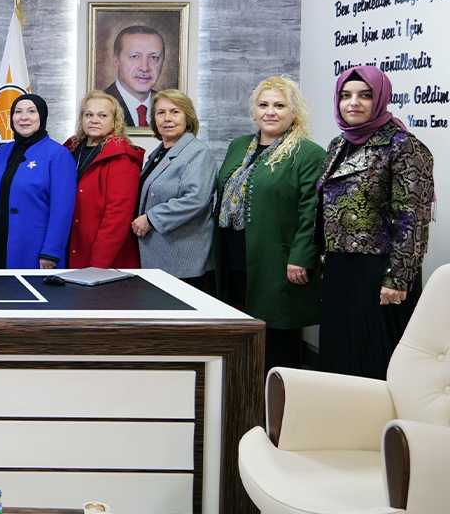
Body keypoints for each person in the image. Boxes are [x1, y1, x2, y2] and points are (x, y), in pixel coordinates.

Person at [317, 66, 434, 379]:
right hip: (341, 267)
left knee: (375, 359)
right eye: (346, 95)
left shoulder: (403, 145)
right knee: (339, 355)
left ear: (380, 99)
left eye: (365, 95)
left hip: (379, 271)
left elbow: (414, 219)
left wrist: (398, 278)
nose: (353, 102)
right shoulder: (338, 145)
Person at [214, 76, 325, 371]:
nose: (270, 112)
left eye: (279, 105)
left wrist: (302, 257)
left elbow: (313, 211)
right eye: (263, 105)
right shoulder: (239, 146)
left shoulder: (307, 153)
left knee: (277, 342)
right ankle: (245, 395)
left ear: (294, 111)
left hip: (277, 261)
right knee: (241, 338)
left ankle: (278, 398)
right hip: (235, 257)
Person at [132, 90, 219, 291]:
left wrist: (151, 218)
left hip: (183, 259)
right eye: (160, 112)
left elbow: (195, 199)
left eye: (175, 112)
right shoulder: (159, 152)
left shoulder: (198, 152)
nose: (167, 118)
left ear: (187, 117)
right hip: (159, 254)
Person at [0, 93, 77, 269]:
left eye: (31, 111)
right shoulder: (0, 153)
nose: (24, 117)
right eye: (18, 112)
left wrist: (52, 251)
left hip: (35, 247)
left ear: (42, 116)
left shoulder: (58, 155)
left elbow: (62, 210)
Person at [64, 91, 143, 269]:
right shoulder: (70, 148)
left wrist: (98, 264)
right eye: (88, 115)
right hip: (70, 245)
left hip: (102, 256)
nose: (94, 120)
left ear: (115, 121)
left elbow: (117, 217)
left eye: (102, 115)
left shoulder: (122, 157)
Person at [102, 25, 164, 127]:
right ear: (116, 62)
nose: (144, 68)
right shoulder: (98, 105)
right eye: (135, 56)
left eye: (153, 57)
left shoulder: (170, 106)